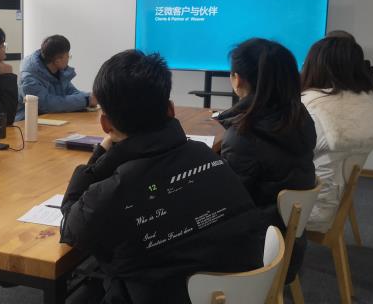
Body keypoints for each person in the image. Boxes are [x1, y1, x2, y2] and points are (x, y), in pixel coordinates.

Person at [61, 50, 263, 304]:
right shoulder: (207, 155)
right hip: (245, 292)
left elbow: (71, 229)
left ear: (106, 125)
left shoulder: (113, 193)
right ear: (170, 109)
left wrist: (100, 156)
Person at [215, 37, 317, 283]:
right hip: (289, 245)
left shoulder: (244, 137)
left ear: (237, 79)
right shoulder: (300, 118)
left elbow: (225, 204)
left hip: (256, 256)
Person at [300, 32, 373, 232]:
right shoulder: (370, 104)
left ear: (315, 67)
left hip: (307, 209)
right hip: (335, 204)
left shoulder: (313, 109)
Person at [16, 34, 96, 120]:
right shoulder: (28, 79)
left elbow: (71, 91)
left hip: (53, 120)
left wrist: (90, 97)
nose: (68, 59)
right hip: (26, 123)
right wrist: (86, 100)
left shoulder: (59, 71)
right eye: (68, 56)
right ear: (58, 60)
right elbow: (47, 105)